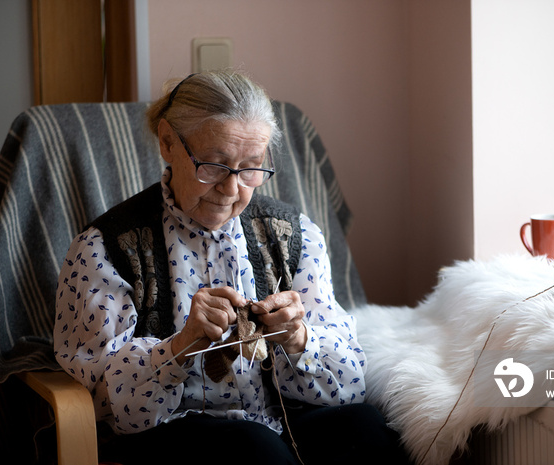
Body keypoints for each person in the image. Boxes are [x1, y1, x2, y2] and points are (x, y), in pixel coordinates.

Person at [54, 70, 408, 464]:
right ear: (168, 142)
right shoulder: (105, 249)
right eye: (215, 165)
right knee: (253, 449)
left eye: (250, 167)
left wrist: (298, 339)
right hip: (170, 430)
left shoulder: (294, 235)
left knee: (365, 428)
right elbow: (106, 406)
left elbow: (350, 384)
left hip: (281, 421)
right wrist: (180, 344)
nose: (232, 188)